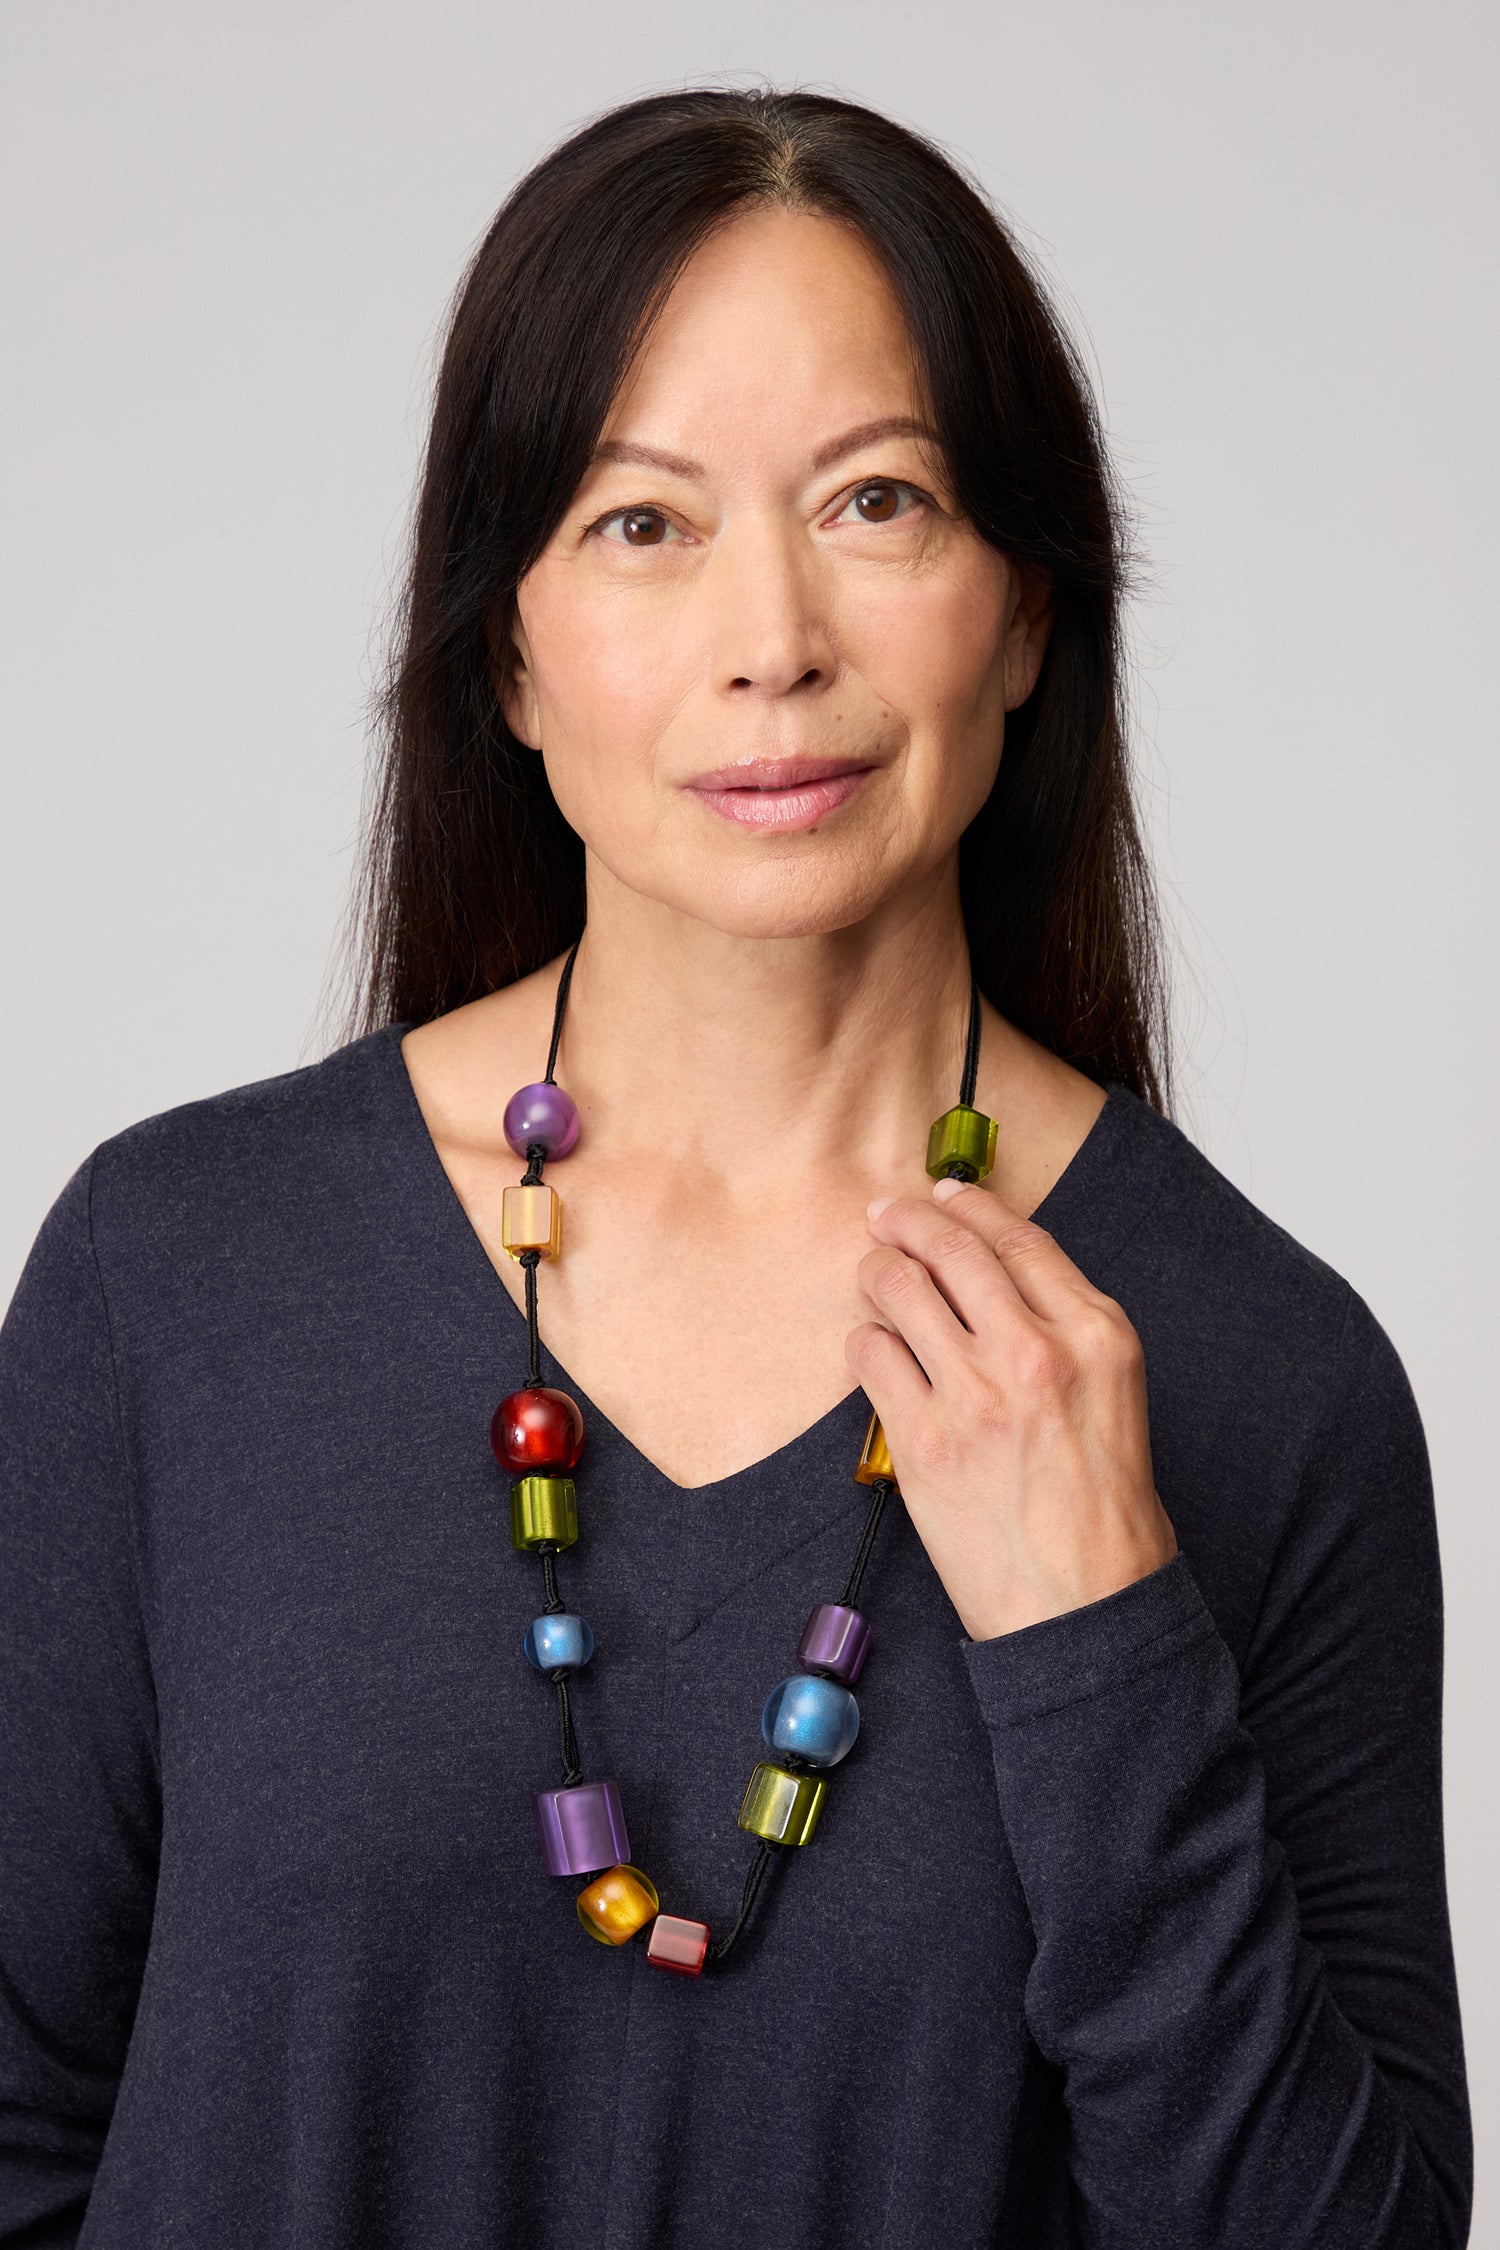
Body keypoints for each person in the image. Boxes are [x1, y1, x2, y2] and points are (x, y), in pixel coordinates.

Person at [0, 85, 1471, 2250]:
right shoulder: (175, 1281)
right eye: (641, 523)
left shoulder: (1262, 1371)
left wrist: (1101, 1637)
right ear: (507, 651)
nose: (770, 635)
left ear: (1031, 614)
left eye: (877, 502)